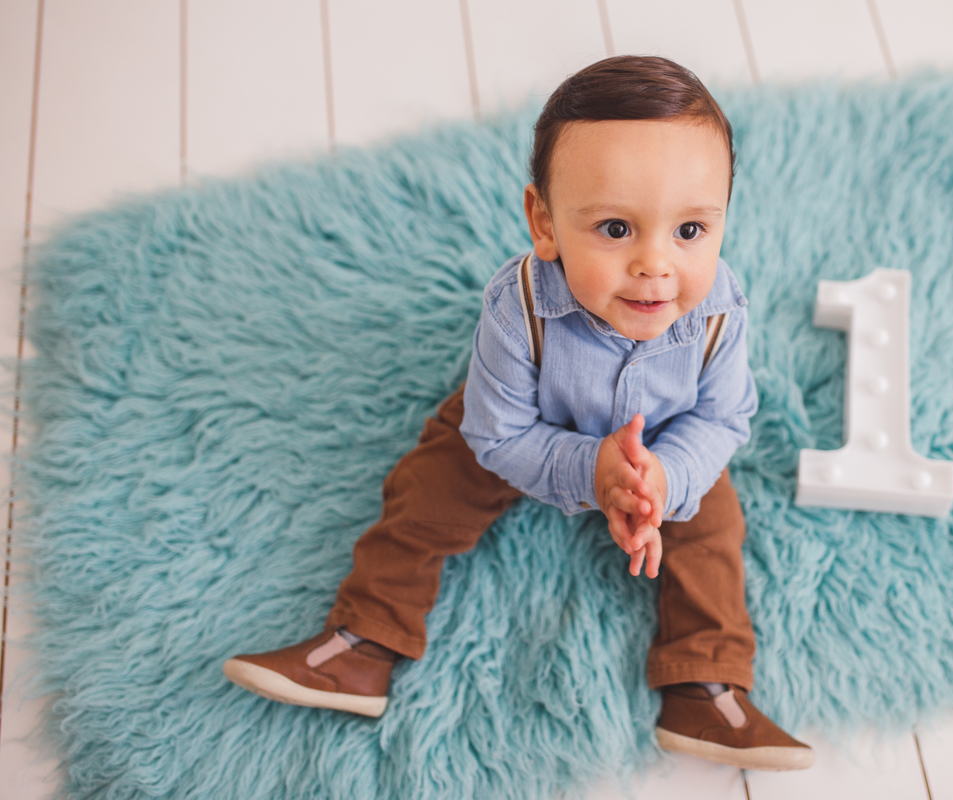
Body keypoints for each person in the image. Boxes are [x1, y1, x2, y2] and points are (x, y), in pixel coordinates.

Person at [224, 55, 814, 772]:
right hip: (531, 425)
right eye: (617, 229)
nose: (657, 265)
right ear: (545, 223)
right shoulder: (520, 306)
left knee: (714, 530)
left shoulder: (720, 306)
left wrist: (664, 476)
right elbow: (495, 430)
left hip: (660, 439)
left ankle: (704, 685)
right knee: (426, 493)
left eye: (690, 231)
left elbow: (724, 418)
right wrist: (587, 468)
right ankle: (364, 641)